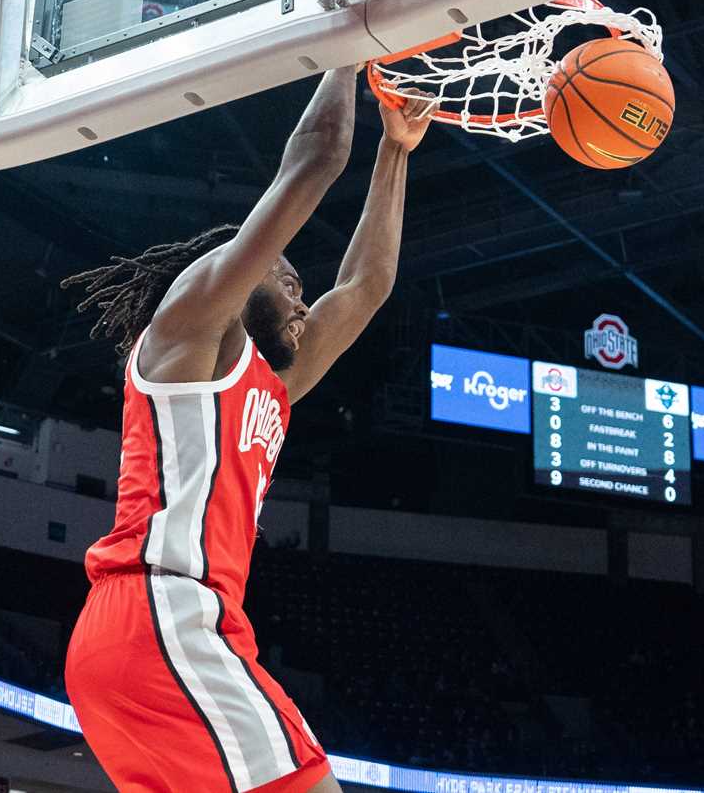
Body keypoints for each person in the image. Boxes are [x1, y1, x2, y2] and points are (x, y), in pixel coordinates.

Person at [60, 67, 433, 793]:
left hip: (151, 633)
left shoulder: (273, 383)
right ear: (240, 273)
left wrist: (397, 149)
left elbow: (365, 288)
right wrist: (346, 51)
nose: (301, 297)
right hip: (163, 612)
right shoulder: (188, 333)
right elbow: (316, 159)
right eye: (287, 278)